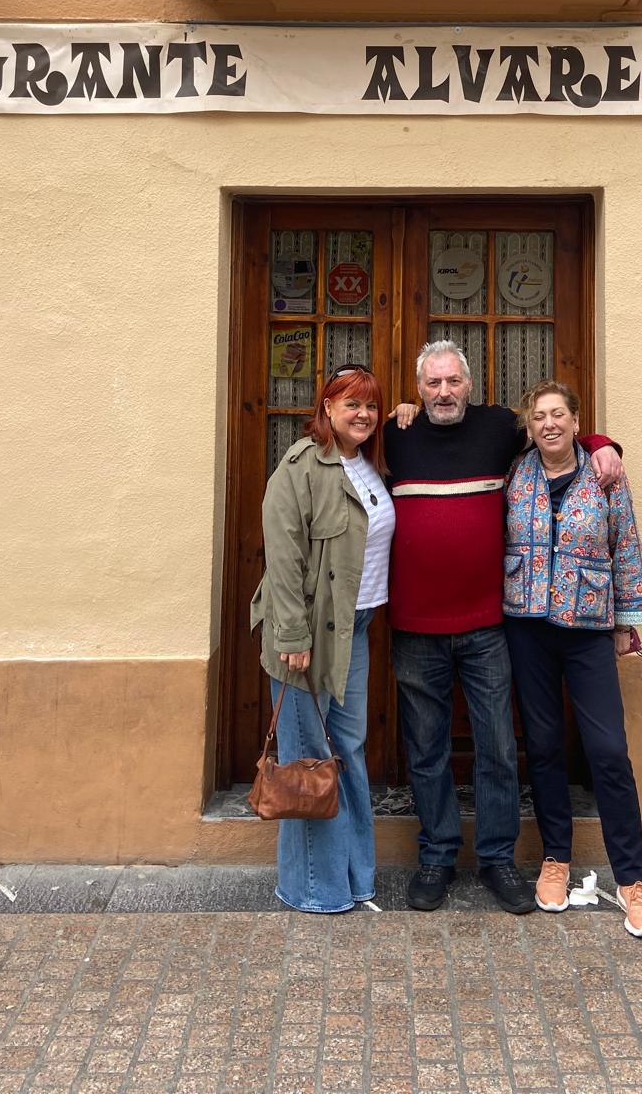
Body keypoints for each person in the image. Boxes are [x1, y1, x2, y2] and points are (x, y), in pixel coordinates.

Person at [384, 340, 623, 914]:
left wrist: (602, 444)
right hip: (415, 625)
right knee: (427, 749)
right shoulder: (395, 432)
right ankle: (437, 858)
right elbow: (344, 438)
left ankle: (496, 859)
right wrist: (394, 411)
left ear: (470, 385)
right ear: (418, 390)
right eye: (433, 383)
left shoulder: (497, 428)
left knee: (497, 748)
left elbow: (553, 433)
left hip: (488, 623)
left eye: (453, 382)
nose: (444, 392)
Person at [503, 379, 642, 938]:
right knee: (542, 746)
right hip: (527, 626)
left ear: (575, 423)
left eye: (558, 415)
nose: (548, 424)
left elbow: (627, 545)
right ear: (530, 427)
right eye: (538, 416)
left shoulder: (604, 473)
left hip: (589, 626)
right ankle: (556, 860)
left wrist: (627, 622)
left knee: (608, 751)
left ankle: (632, 879)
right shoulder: (515, 473)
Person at [251, 365, 395, 914]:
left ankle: (356, 877)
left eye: (371, 406)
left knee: (347, 753)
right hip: (307, 634)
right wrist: (291, 632)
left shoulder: (370, 465)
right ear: (327, 409)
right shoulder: (300, 466)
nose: (362, 415)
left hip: (354, 628)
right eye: (350, 404)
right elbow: (282, 553)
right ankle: (314, 888)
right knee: (309, 758)